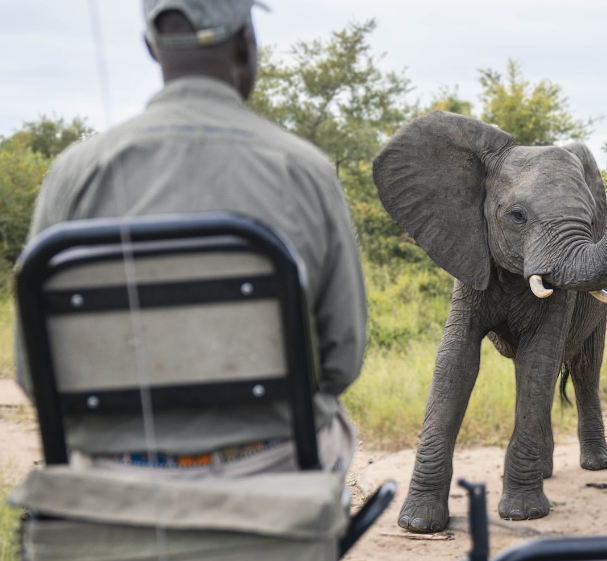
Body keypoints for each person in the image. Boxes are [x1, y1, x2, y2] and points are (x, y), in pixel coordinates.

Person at [16, 0, 366, 477]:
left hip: (115, 471)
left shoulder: (73, 173)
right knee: (338, 428)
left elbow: (34, 373)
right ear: (246, 42)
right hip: (270, 462)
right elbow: (341, 361)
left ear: (151, 47)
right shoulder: (305, 169)